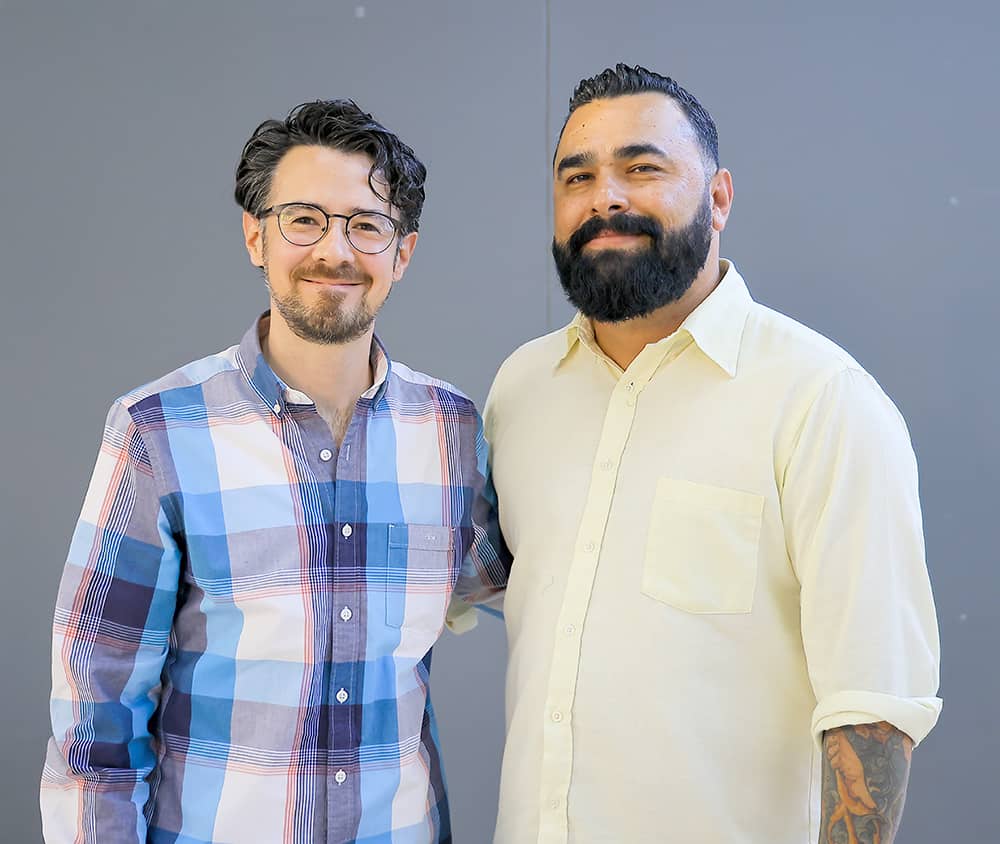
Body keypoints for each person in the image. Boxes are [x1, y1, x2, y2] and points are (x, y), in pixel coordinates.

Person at [485, 64, 940, 844]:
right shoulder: (522, 390)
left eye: (642, 168)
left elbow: (873, 705)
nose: (607, 198)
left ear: (720, 197)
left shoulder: (821, 400)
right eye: (578, 177)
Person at [40, 99, 508, 844]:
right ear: (256, 235)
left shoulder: (453, 431)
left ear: (403, 253)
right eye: (304, 219)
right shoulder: (158, 430)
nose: (336, 250)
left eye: (366, 223)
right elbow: (97, 712)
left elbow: (539, 593)